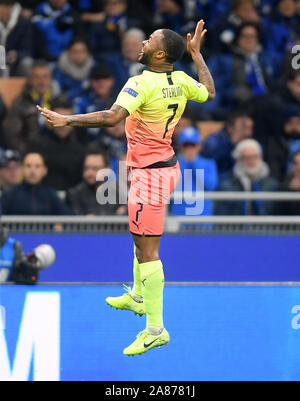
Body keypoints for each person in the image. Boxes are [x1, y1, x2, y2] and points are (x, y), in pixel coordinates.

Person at [37, 19, 215, 355]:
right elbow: (209, 92)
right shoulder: (180, 79)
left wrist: (67, 119)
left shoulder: (141, 83)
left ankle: (155, 328)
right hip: (161, 167)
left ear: (160, 53)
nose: (142, 43)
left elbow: (111, 117)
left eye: (149, 40)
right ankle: (137, 295)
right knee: (138, 241)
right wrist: (197, 55)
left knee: (148, 252)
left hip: (150, 175)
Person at [3, 60, 60, 155]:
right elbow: (12, 135)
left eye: (45, 76)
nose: (41, 81)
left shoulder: (59, 101)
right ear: (30, 79)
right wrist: (29, 154)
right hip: (28, 154)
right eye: (37, 77)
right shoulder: (20, 102)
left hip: (55, 154)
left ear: (50, 79)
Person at [31, 95, 85, 191]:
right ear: (49, 119)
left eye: (67, 120)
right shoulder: (38, 147)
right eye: (59, 120)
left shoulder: (81, 147)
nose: (63, 125)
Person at [215, 139, 279, 215]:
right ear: (238, 160)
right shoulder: (226, 186)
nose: (251, 161)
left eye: (254, 156)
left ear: (261, 157)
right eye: (246, 158)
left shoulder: (272, 185)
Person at [1, 152, 71, 215]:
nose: (32, 171)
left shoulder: (51, 195)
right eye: (28, 166)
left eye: (37, 166)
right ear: (22, 169)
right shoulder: (10, 195)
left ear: (44, 171)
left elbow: (68, 219)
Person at [170, 126, 218, 216]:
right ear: (180, 147)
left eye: (193, 145)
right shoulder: (173, 165)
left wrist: (194, 163)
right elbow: (169, 189)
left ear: (199, 146)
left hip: (203, 217)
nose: (189, 149)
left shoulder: (209, 164)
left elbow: (211, 186)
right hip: (178, 217)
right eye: (186, 145)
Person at [67, 150, 127, 216]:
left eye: (95, 168)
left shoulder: (118, 194)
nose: (90, 173)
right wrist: (115, 215)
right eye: (86, 168)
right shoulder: (75, 194)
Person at [203, 110, 254, 175]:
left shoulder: (249, 142)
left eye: (250, 128)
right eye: (243, 127)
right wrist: (232, 144)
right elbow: (211, 164)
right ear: (230, 128)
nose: (248, 133)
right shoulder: (214, 141)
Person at [0, 0, 33, 77]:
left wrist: (17, 55)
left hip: (15, 64)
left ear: (9, 7)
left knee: (27, 63)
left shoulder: (24, 23)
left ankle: (27, 88)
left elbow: (28, 49)